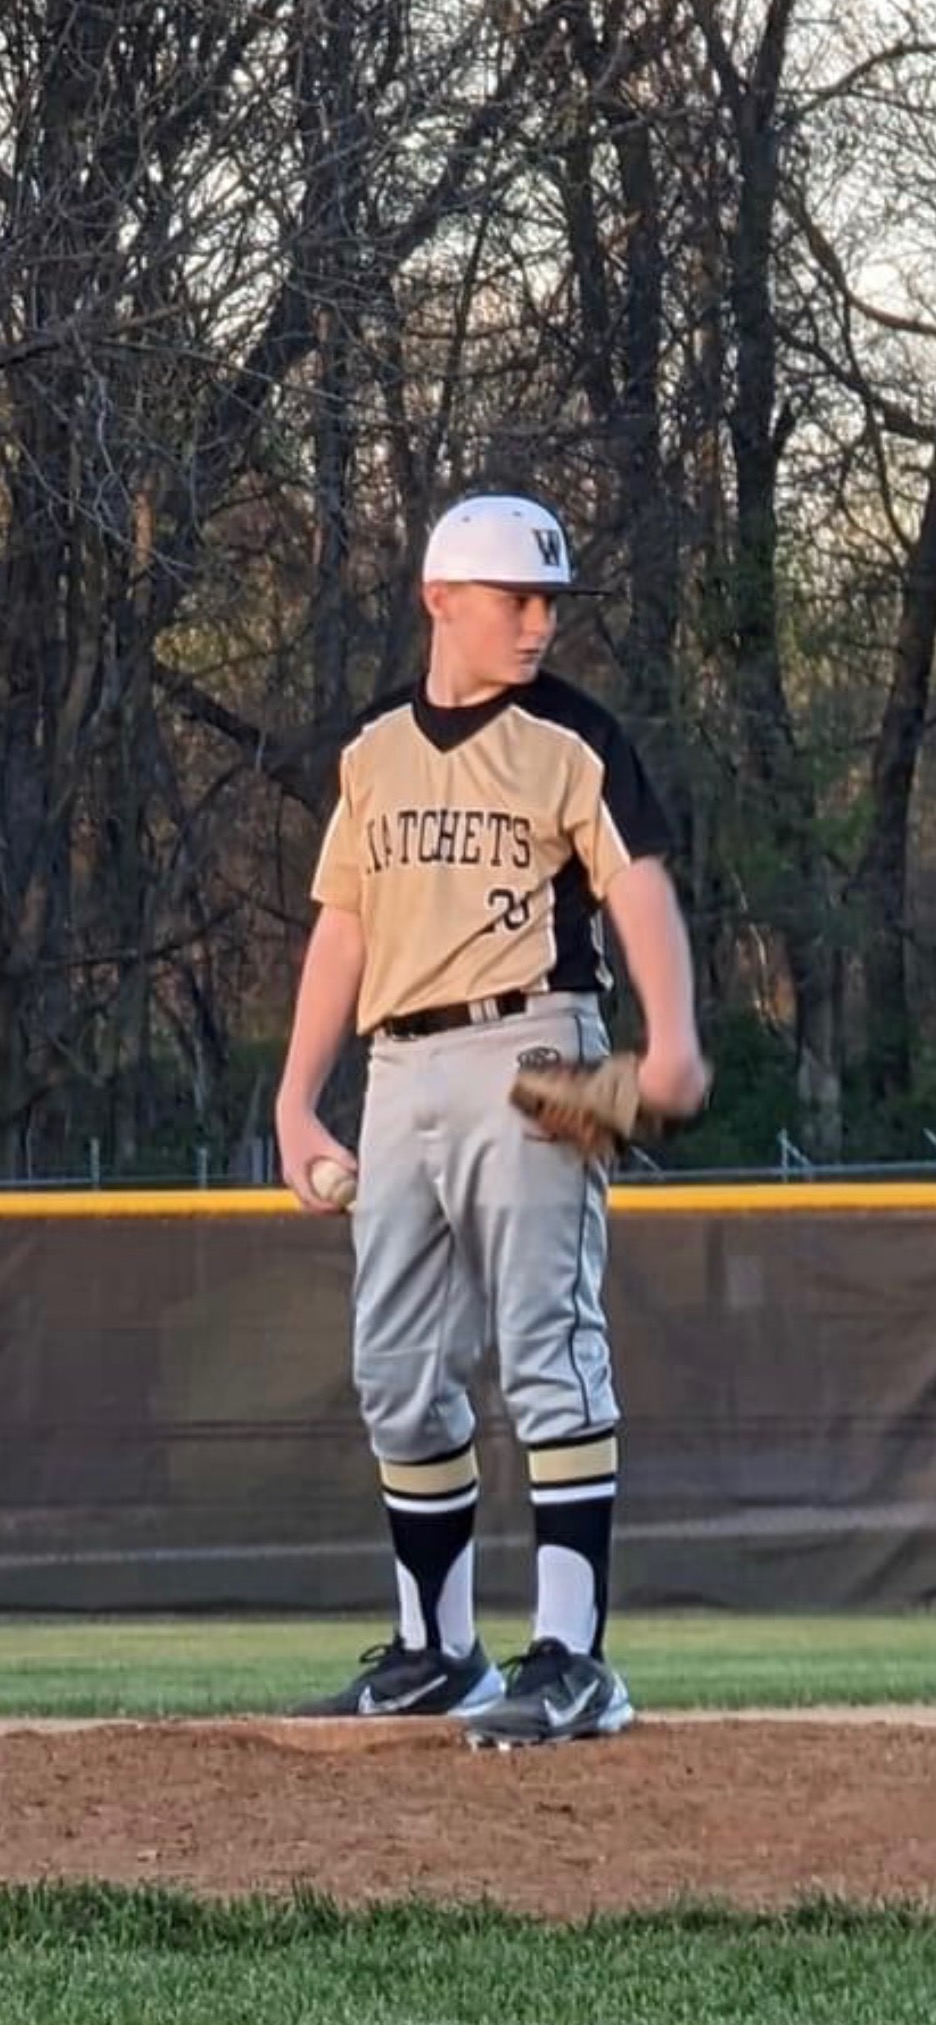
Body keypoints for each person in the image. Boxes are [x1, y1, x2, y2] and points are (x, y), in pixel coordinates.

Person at [275, 492, 708, 1748]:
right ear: (439, 599)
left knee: (545, 1347)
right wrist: (296, 1098)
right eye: (515, 598)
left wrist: (672, 1040)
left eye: (548, 602)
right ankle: (437, 1651)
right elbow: (343, 925)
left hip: (534, 1048)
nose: (537, 622)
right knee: (397, 1373)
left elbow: (638, 886)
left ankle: (574, 1656)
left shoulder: (573, 735)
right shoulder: (373, 750)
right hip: (398, 1068)